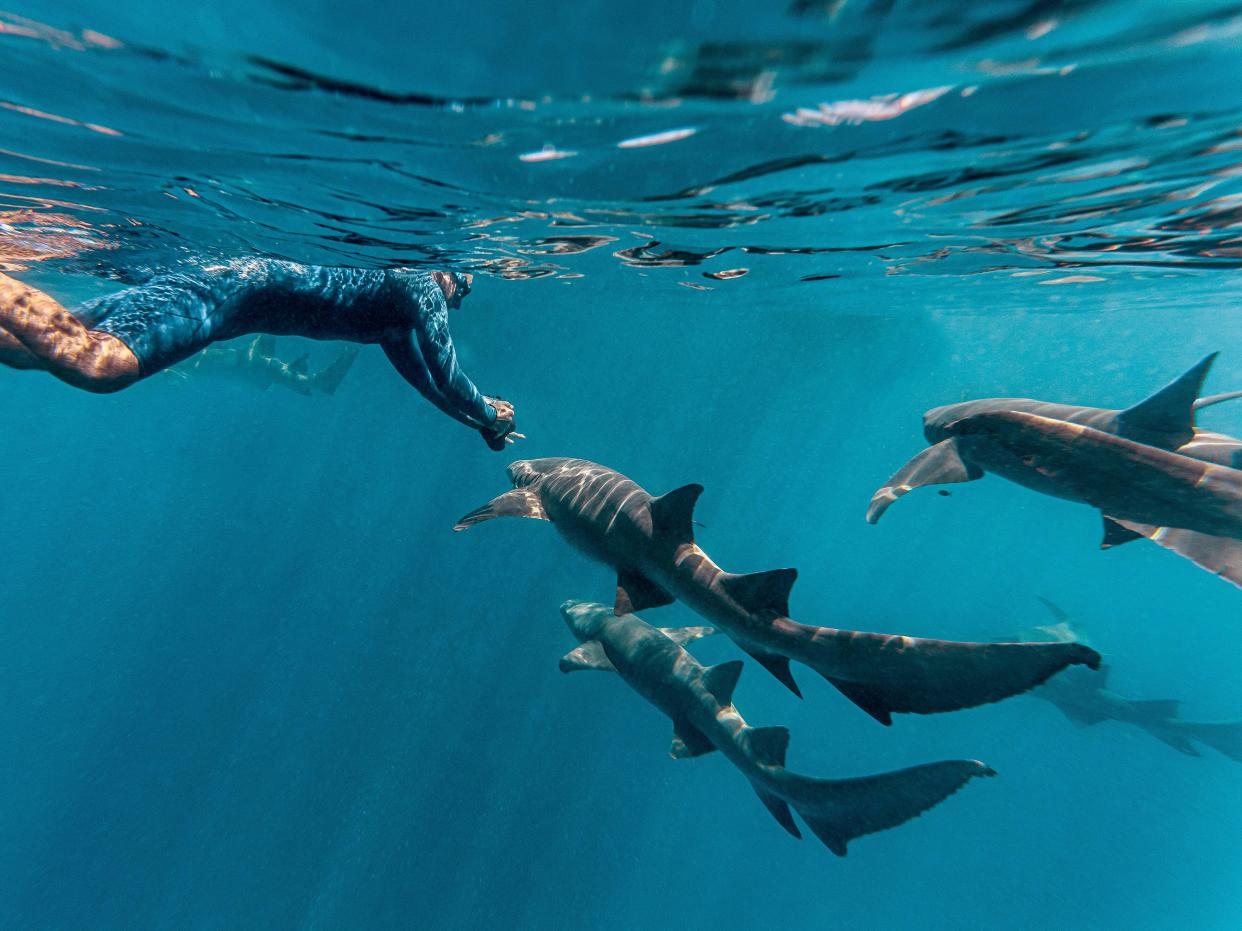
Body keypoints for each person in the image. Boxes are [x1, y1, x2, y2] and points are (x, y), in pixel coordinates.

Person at [0, 259, 519, 449]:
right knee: (100, 365)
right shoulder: (421, 285)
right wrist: (490, 412)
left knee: (30, 351)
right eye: (464, 287)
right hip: (227, 292)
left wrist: (477, 422)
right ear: (450, 272)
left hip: (221, 297)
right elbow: (448, 372)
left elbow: (432, 384)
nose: (462, 296)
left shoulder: (393, 320)